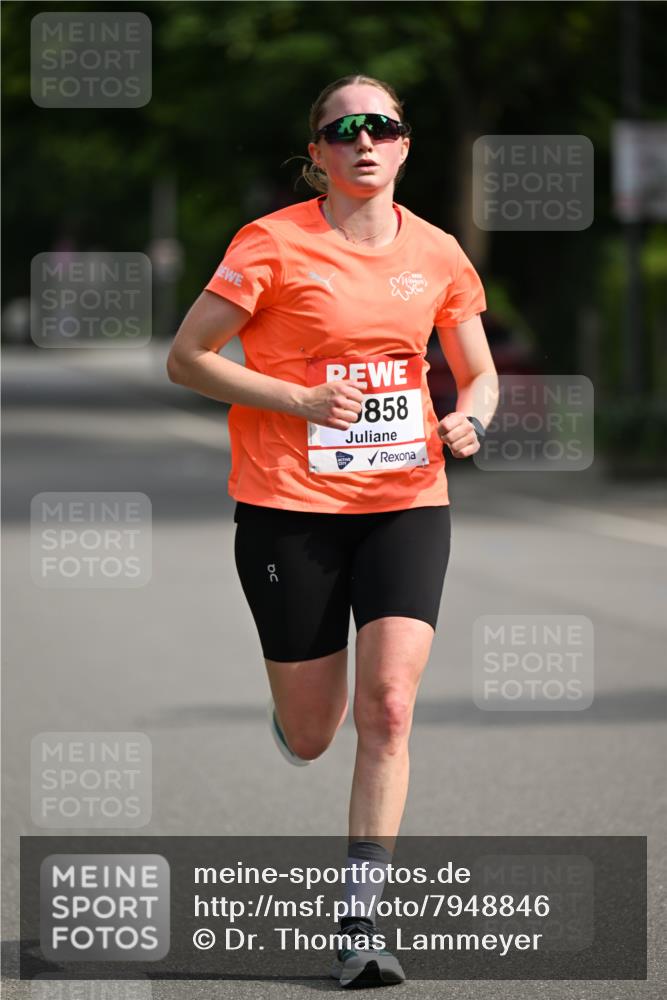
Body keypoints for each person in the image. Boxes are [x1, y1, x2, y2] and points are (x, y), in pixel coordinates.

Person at [167, 74, 499, 989]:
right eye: (342, 128)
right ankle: (296, 713)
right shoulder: (269, 243)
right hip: (287, 505)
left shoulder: (435, 252)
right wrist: (300, 398)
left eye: (380, 126)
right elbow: (187, 358)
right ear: (315, 151)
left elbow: (475, 373)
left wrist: (473, 416)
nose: (363, 140)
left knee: (389, 706)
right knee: (317, 731)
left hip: (406, 500)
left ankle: (359, 921)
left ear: (402, 145)